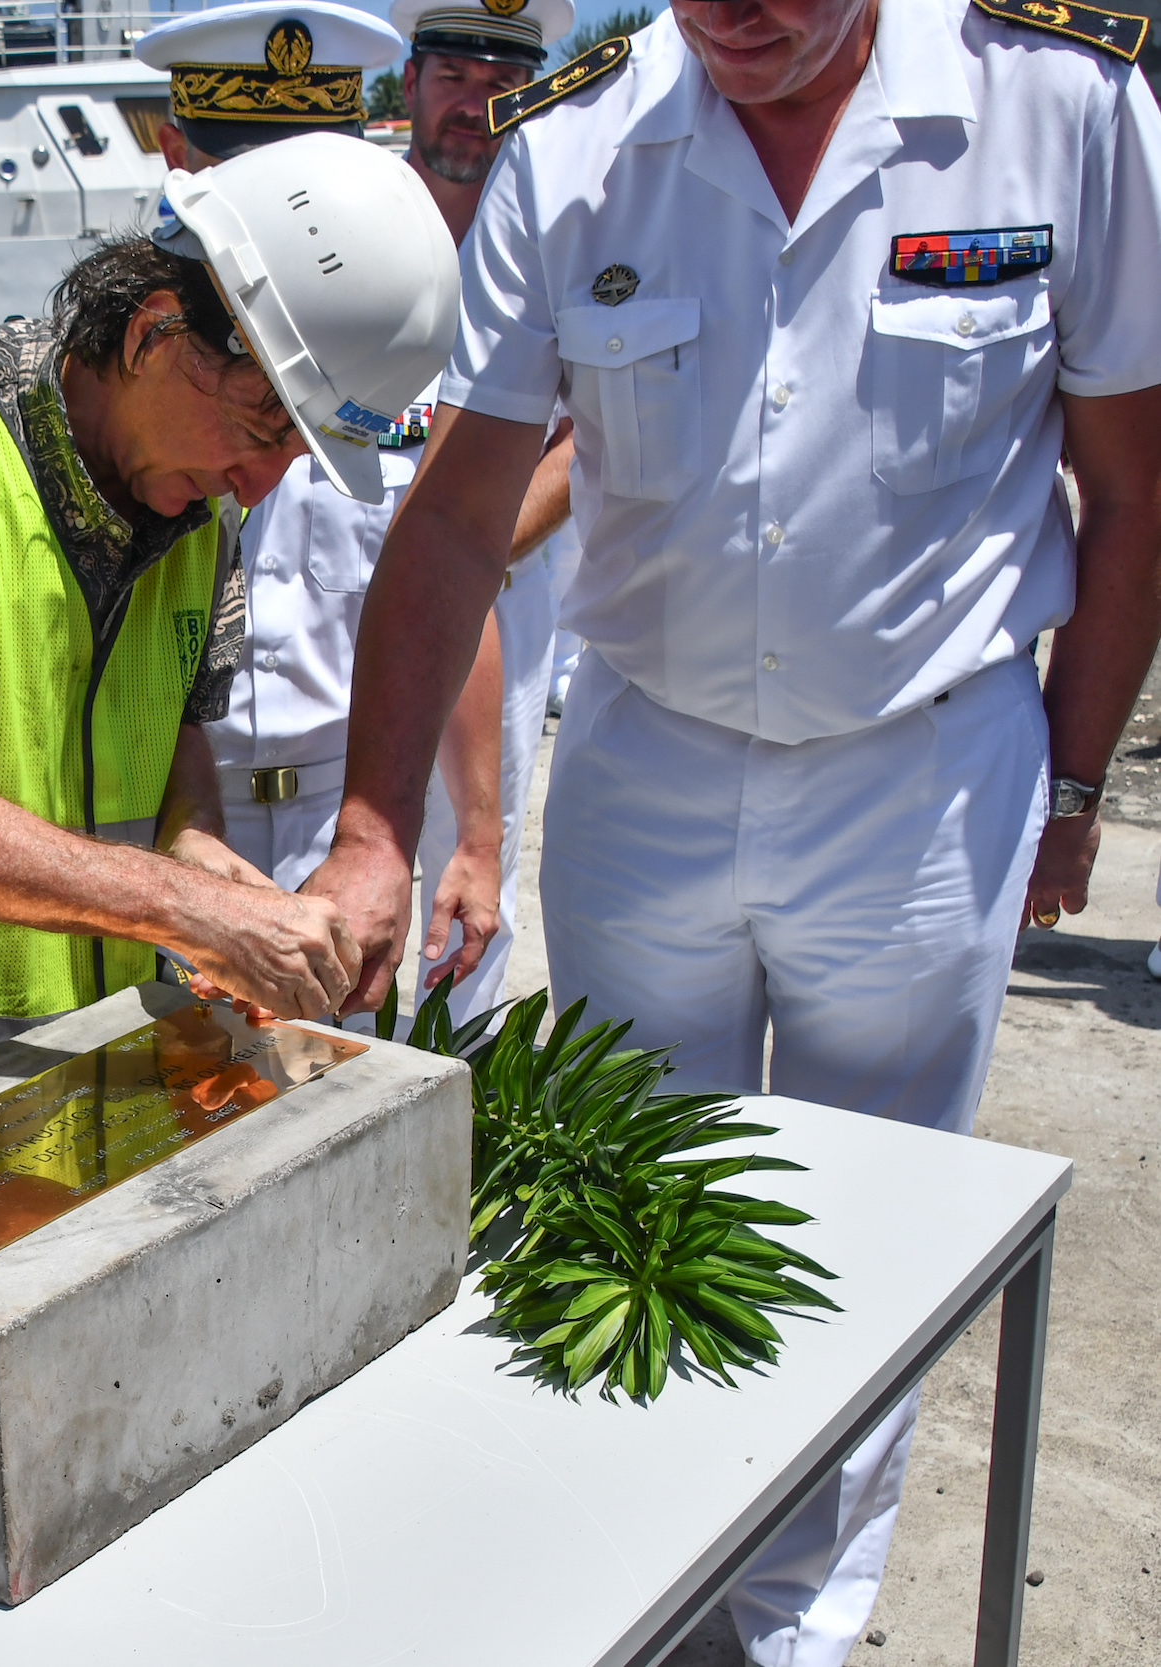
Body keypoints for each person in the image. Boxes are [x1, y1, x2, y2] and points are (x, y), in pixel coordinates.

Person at [311, 2, 1161, 1662]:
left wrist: (1071, 783)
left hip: (923, 778)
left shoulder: (1058, 103)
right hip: (648, 766)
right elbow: (459, 515)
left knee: (858, 1245)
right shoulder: (577, 142)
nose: (741, 18)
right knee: (626, 1218)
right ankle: (656, 1594)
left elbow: (1135, 484)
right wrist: (371, 825)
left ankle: (796, 1633)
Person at [0, 132, 461, 1097]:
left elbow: (178, 745)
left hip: (89, 1082)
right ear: (154, 332)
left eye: (297, 454)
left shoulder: (201, 503)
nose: (262, 480)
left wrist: (203, 853)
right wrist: (191, 909)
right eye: (262, 427)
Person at [137, 0, 579, 1019]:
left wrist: (471, 833)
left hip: (353, 796)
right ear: (174, 151)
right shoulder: (125, 349)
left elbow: (446, 574)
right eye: (243, 163)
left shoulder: (405, 312)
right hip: (169, 814)